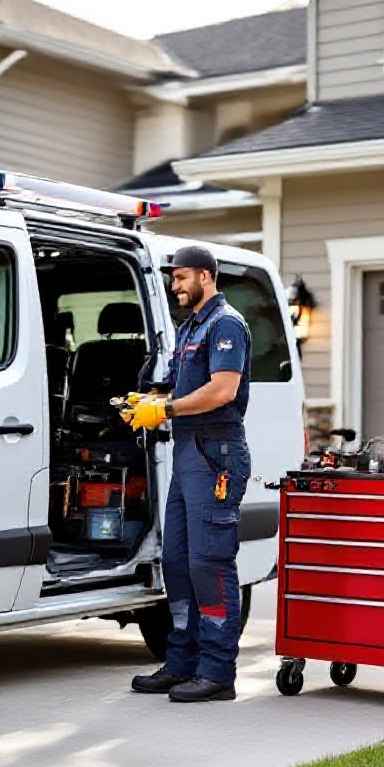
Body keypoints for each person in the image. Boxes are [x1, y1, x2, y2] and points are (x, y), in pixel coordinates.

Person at [122, 244, 252, 702]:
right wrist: (149, 399)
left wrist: (167, 409)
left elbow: (222, 390)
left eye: (180, 278)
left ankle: (218, 673)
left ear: (205, 276)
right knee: (176, 562)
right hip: (188, 455)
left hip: (216, 454)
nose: (174, 285)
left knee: (209, 564)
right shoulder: (191, 326)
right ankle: (182, 664)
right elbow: (184, 385)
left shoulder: (226, 324)